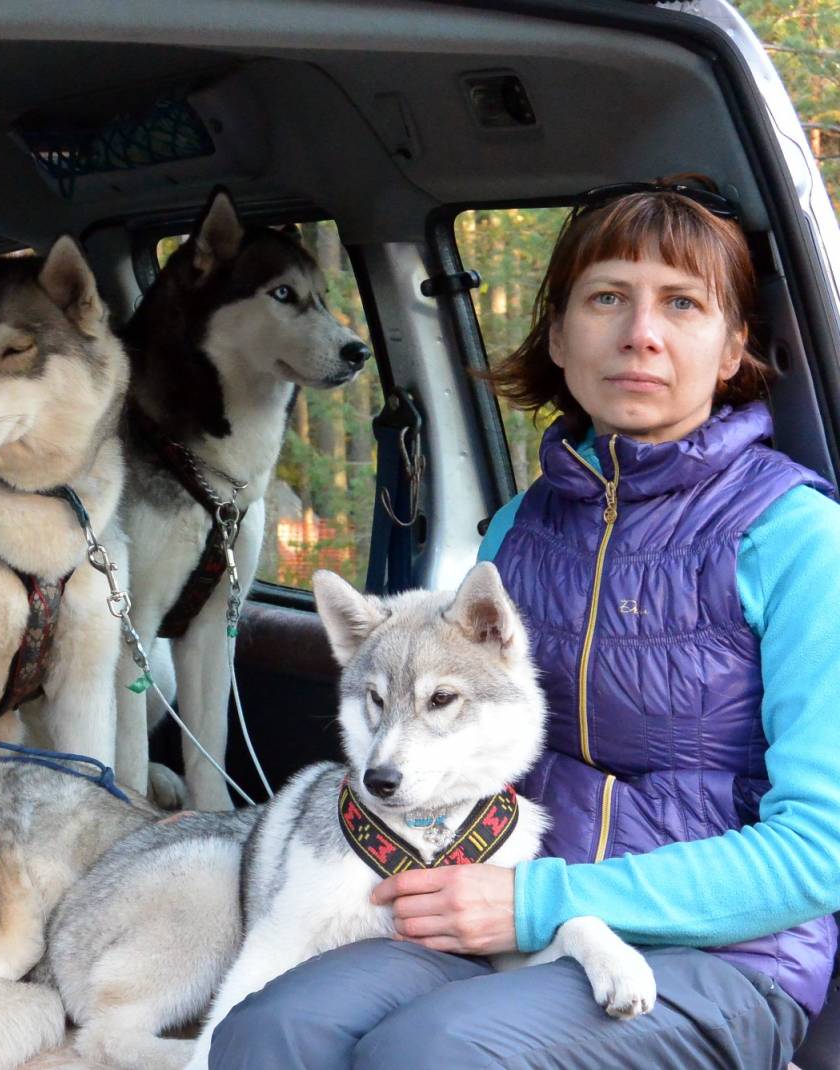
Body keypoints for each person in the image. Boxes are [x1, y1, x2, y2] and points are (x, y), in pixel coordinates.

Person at [208, 180, 840, 1068]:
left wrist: (538, 903)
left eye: (682, 304)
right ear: (559, 335)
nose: (641, 333)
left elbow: (820, 853)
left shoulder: (797, 537)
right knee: (268, 1028)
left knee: (432, 1053)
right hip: (501, 913)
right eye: (607, 298)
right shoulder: (518, 530)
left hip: (725, 955)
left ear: (734, 346)